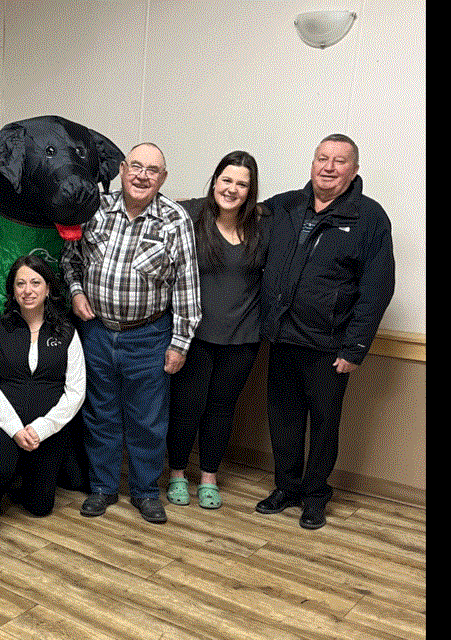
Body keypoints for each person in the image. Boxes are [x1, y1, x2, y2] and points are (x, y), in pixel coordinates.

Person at [257, 134, 394, 529]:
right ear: (312, 162)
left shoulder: (369, 218)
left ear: (354, 170)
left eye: (339, 161)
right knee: (283, 421)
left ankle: (315, 495)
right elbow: (235, 211)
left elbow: (377, 288)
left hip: (329, 346)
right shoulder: (287, 205)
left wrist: (355, 348)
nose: (328, 167)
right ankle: (286, 487)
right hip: (282, 338)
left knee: (323, 425)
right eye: (322, 158)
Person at [62, 142, 201, 524]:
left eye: (152, 170)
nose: (142, 176)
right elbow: (70, 258)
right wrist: (75, 292)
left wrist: (180, 343)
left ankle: (143, 491)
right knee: (100, 414)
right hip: (96, 332)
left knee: (148, 420)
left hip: (148, 336)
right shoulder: (95, 209)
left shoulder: (175, 220)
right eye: (136, 167)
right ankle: (103, 488)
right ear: (122, 169)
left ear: (163, 178)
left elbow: (187, 288)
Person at [166, 151, 266, 510]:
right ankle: (177, 473)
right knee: (186, 408)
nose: (232, 189)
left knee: (222, 410)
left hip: (243, 338)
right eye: (227, 180)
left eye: (242, 183)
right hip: (194, 337)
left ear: (250, 191)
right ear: (214, 181)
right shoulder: (190, 216)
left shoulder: (261, 226)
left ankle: (209, 477)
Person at [0, 255, 85, 521]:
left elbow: (76, 392)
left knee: (40, 508)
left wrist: (40, 429)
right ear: (12, 290)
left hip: (46, 430)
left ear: (48, 288)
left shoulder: (66, 332)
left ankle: (25, 478)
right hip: (4, 423)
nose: (28, 290)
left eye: (35, 283)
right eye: (20, 283)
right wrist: (15, 430)